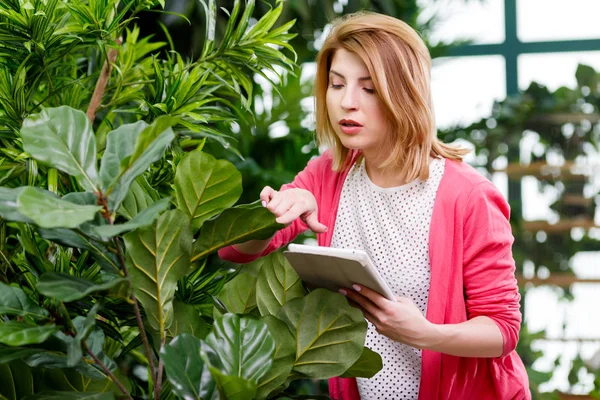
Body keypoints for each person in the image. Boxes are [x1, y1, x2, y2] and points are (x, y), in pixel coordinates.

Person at [218, 11, 530, 400]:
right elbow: (234, 251)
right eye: (336, 84)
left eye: (369, 88)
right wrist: (271, 216)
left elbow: (502, 329)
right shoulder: (327, 174)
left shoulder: (467, 196)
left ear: (404, 93)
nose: (347, 102)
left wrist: (425, 334)